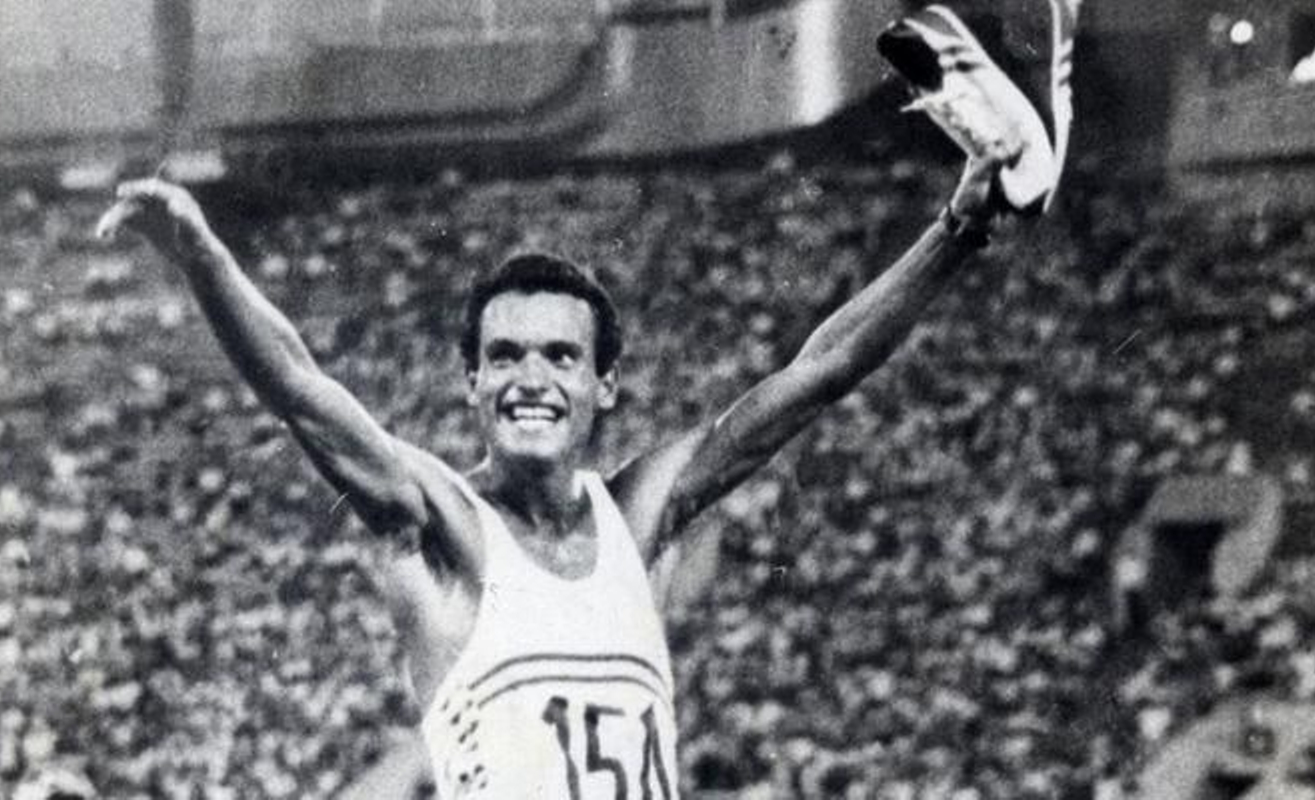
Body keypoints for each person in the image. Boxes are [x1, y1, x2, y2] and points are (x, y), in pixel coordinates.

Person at [93, 11, 1068, 795]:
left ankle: (1001, 181)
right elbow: (303, 390)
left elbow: (818, 370)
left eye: (561, 355)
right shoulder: (442, 528)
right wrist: (203, 257)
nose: (530, 376)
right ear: (468, 380)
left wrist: (954, 232)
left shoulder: (638, 510)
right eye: (504, 354)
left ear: (603, 383)